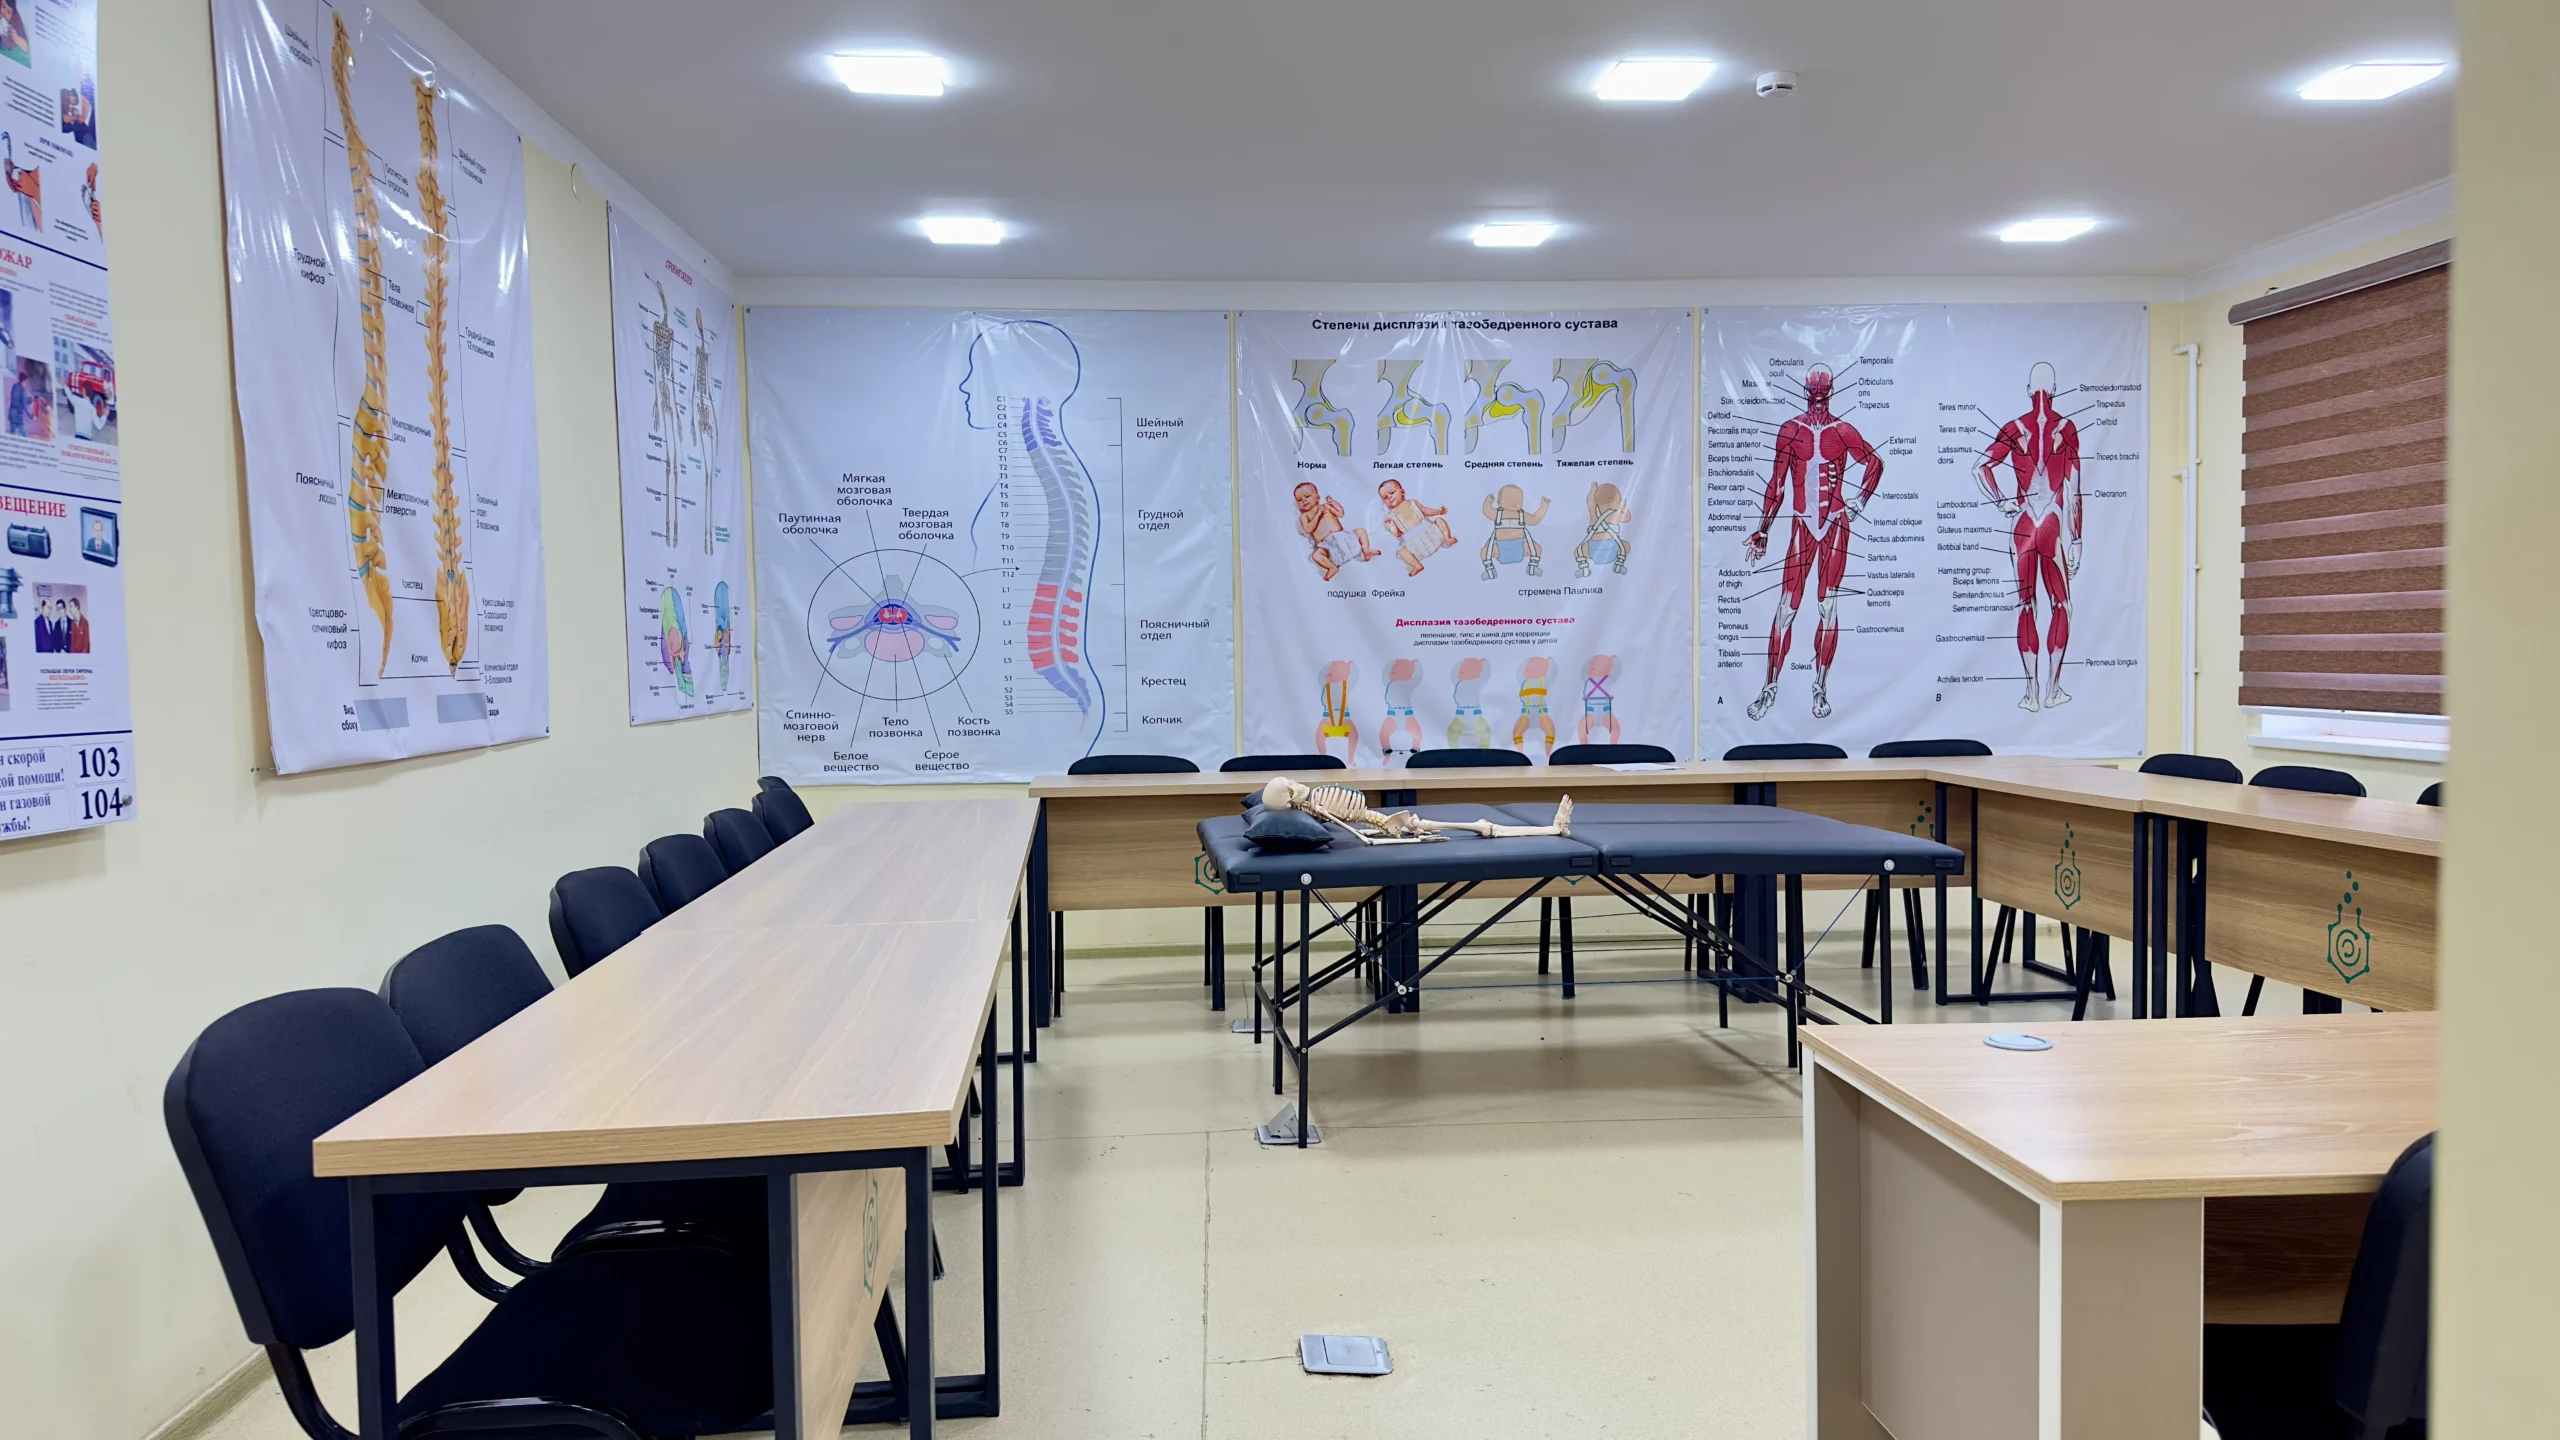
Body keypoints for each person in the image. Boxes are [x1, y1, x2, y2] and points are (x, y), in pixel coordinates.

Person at [1745, 365, 1882, 721]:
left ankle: (1820, 686)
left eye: (1823, 390)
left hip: (1834, 525)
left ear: (1831, 390)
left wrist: (1860, 500)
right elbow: (1777, 484)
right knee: (1786, 607)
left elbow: (1875, 463)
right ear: (1806, 391)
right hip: (1802, 525)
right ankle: (1769, 687)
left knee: (1828, 606)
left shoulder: (1843, 431)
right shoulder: (1791, 430)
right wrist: (1763, 530)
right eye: (1814, 390)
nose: (1819, 397)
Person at [1974, 362, 2083, 711]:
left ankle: (2030, 694)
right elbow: (2073, 489)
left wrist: (2001, 501)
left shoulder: (2014, 428)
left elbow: (1980, 468)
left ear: (2027, 391)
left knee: (2026, 605)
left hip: (2022, 522)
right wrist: (2076, 538)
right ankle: (2053, 690)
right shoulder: (2066, 428)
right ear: (2055, 390)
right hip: (2052, 522)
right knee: (2061, 605)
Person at [1293, 481, 1376, 581]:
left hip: (1344, 538)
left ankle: (1366, 552)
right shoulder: (1304, 516)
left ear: (1317, 498)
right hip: (1328, 546)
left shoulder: (1326, 507)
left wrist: (1333, 503)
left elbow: (1341, 514)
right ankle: (1331, 567)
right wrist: (1317, 515)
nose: (1304, 500)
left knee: (1360, 531)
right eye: (1299, 500)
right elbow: (1308, 529)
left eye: (1307, 496)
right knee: (1316, 555)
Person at [1376, 478, 1454, 577]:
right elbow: (1398, 534)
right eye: (1385, 498)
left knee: (1439, 520)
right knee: (1402, 552)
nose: (1389, 497)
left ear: (1402, 492)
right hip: (1415, 546)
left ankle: (1447, 538)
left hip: (1432, 533)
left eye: (1392, 493)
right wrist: (1392, 527)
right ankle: (1417, 565)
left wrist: (1438, 511)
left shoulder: (1412, 503)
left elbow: (1424, 511)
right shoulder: (1391, 517)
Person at [1479, 485, 1549, 578]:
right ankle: (1490, 570)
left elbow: (1535, 520)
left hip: (1520, 547)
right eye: (1509, 499)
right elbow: (1487, 511)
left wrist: (1544, 506)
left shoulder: (1521, 515)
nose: (1514, 502)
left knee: (1537, 548)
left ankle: (1532, 566)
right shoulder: (1498, 514)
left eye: (1518, 500)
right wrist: (1488, 501)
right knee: (1484, 551)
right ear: (1499, 503)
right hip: (1500, 548)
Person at [1574, 482, 1632, 578]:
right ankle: (1619, 564)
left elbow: (1590, 501)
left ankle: (1584, 567)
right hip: (1612, 548)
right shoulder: (1615, 515)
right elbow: (1627, 518)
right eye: (1619, 501)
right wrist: (1623, 507)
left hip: (1592, 550)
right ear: (1610, 501)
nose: (1619, 503)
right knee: (1626, 546)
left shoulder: (1593, 511)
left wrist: (1593, 489)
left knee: (1578, 551)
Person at [1378, 658, 1422, 763]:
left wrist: (1417, 665)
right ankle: (1386, 750)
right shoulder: (1389, 683)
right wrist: (1392, 662)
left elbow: (1418, 677)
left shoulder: (1409, 684)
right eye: (1392, 672)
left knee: (1417, 733)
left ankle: (1416, 748)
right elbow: (1384, 674)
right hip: (1392, 715)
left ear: (1408, 675)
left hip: (1407, 714)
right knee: (1384, 733)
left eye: (1394, 672)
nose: (1391, 674)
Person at [1511, 656, 1555, 758]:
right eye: (1526, 669)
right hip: (1526, 714)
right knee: (1516, 732)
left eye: (1529, 670)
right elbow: (1519, 671)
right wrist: (1527, 660)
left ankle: (1547, 752)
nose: (1526, 671)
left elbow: (1553, 673)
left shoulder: (1544, 681)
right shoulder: (1523, 681)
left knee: (1550, 730)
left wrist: (1551, 662)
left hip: (1541, 713)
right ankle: (1520, 752)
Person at [1315, 660, 1357, 763]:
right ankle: (1323, 756)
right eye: (1327, 673)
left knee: (1354, 735)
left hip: (1344, 717)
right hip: (1328, 717)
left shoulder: (1346, 686)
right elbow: (1320, 676)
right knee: (1319, 735)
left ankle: (1351, 758)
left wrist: (1350, 666)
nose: (1327, 675)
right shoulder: (1325, 686)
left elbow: (1354, 679)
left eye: (1330, 673)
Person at [1445, 657, 1491, 748]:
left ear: (1475, 674)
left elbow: (1486, 675)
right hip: (1460, 715)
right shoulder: (1458, 683)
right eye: (1460, 670)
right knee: (1451, 732)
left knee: (1486, 733)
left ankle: (1483, 750)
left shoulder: (1478, 683)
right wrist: (1460, 662)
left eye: (1462, 671)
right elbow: (1453, 674)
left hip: (1475, 715)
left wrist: (1485, 663)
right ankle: (1454, 750)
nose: (1459, 673)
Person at [1577, 654, 1620, 746]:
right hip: (1591, 712)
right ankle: (1584, 748)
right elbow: (1583, 671)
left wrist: (1615, 660)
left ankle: (1613, 748)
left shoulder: (1609, 679)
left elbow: (1617, 671)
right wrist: (1589, 660)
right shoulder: (1587, 679)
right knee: (1581, 730)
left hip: (1605, 712)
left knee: (1615, 729)